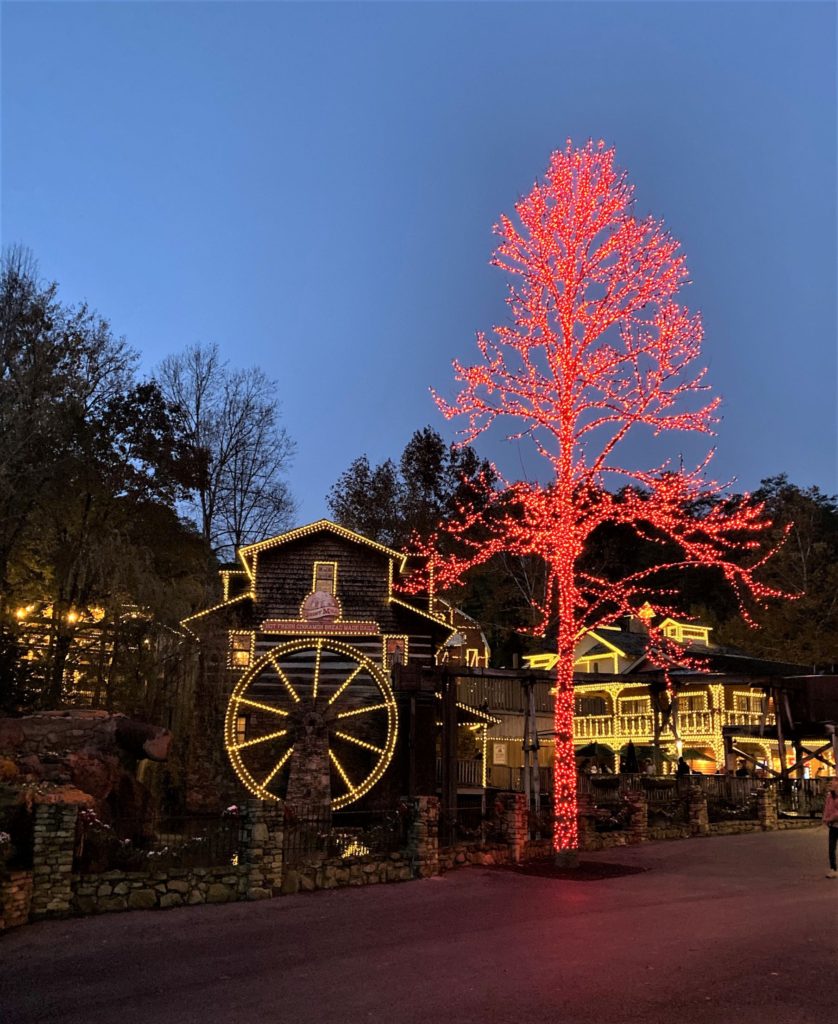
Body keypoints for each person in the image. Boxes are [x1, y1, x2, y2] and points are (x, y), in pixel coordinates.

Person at [822, 776, 838, 879]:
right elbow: (827, 809)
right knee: (831, 848)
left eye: (834, 781)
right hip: (833, 826)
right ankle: (833, 869)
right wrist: (825, 818)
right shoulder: (829, 797)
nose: (831, 783)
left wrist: (829, 819)